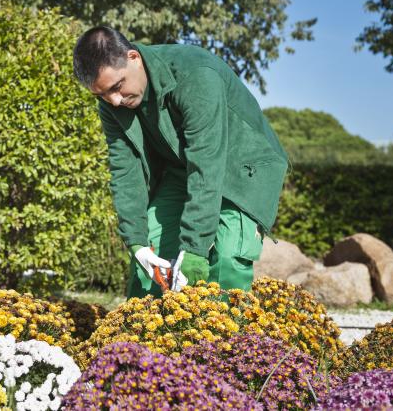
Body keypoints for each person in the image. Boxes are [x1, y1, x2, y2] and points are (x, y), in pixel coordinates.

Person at [72, 26, 288, 298]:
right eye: (102, 95)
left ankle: (225, 339)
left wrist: (195, 248)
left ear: (134, 57)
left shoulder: (196, 74)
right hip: (182, 167)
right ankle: (141, 339)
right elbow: (125, 171)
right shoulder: (111, 102)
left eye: (117, 87)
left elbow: (206, 163)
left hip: (243, 167)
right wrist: (137, 243)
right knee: (150, 254)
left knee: (227, 258)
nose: (114, 100)